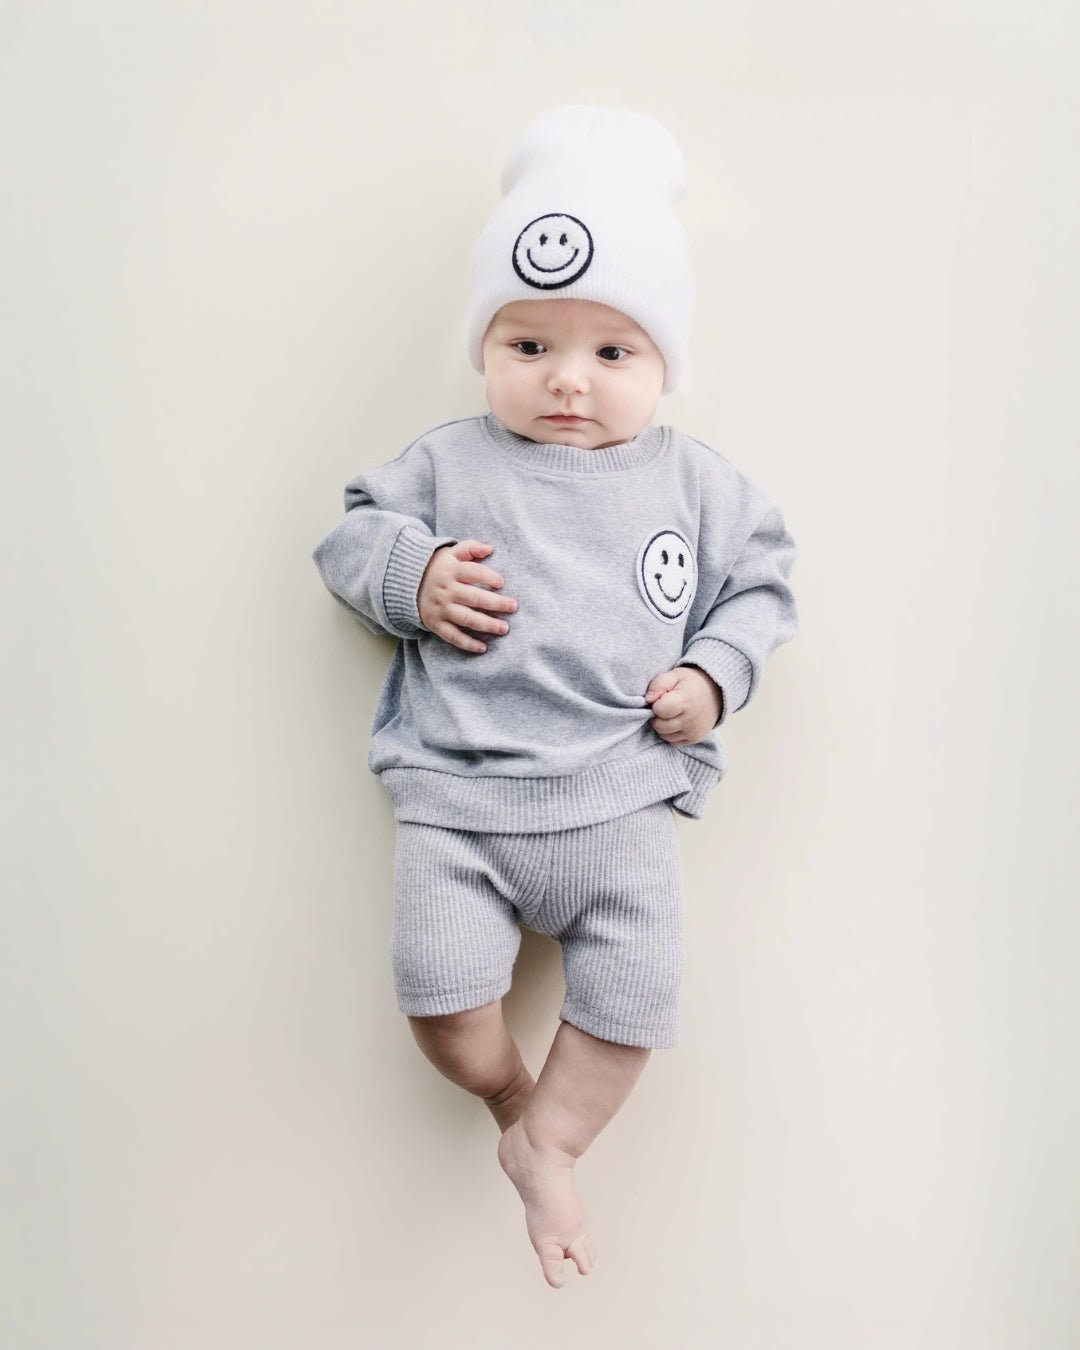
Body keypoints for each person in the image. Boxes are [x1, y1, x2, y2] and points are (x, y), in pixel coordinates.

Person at [312, 105, 799, 1289]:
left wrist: (714, 676)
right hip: (460, 799)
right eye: (528, 347)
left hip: (618, 798)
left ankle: (557, 1143)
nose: (567, 382)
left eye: (611, 354)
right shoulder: (449, 461)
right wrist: (411, 574)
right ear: (487, 348)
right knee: (440, 1004)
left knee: (635, 999)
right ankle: (511, 1101)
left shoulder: (695, 482)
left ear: (662, 362)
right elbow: (348, 538)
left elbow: (763, 586)